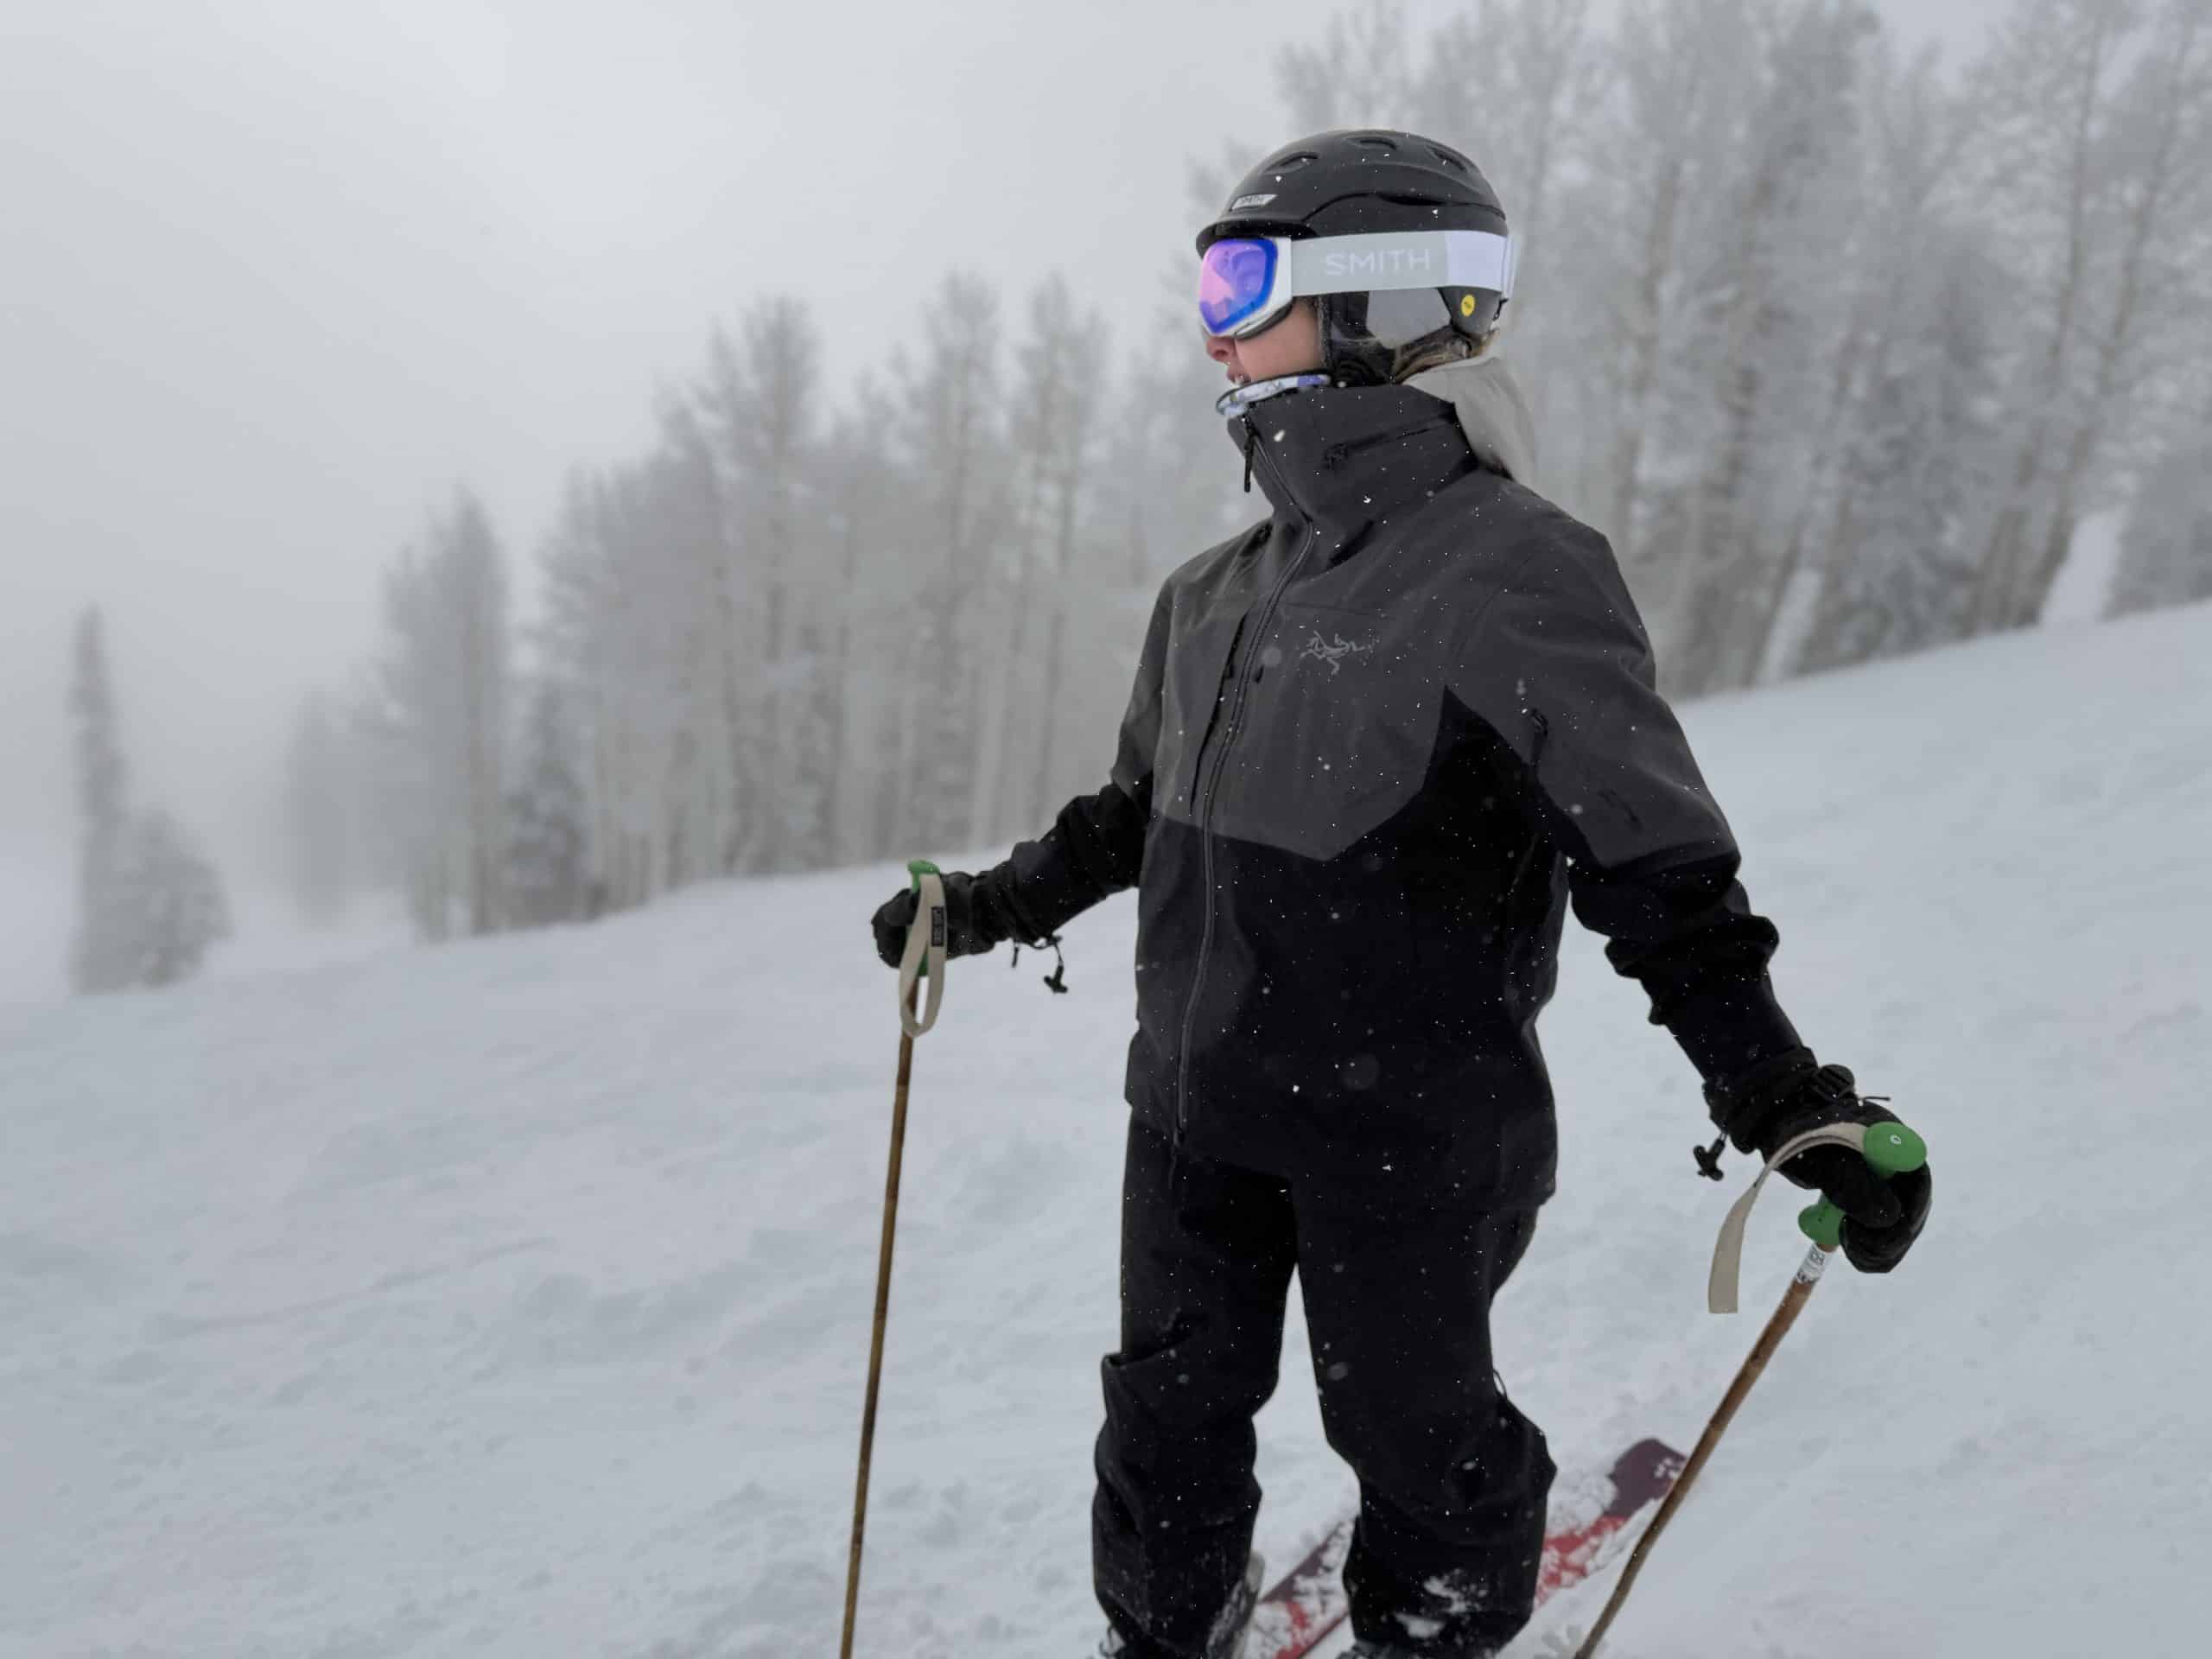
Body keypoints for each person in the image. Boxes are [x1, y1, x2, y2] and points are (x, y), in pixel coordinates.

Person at [870, 129, 1932, 1659]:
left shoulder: (1515, 571)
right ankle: (1163, 1634)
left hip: (1412, 1142)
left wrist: (1788, 1100)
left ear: (1375, 298)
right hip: (1191, 1118)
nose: (1212, 322)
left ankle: (1430, 1630)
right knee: (1163, 1426)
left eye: (1244, 281)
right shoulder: (1210, 594)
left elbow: (1658, 874)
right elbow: (1127, 817)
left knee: (1419, 1438)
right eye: (1205, 285)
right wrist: (972, 909)